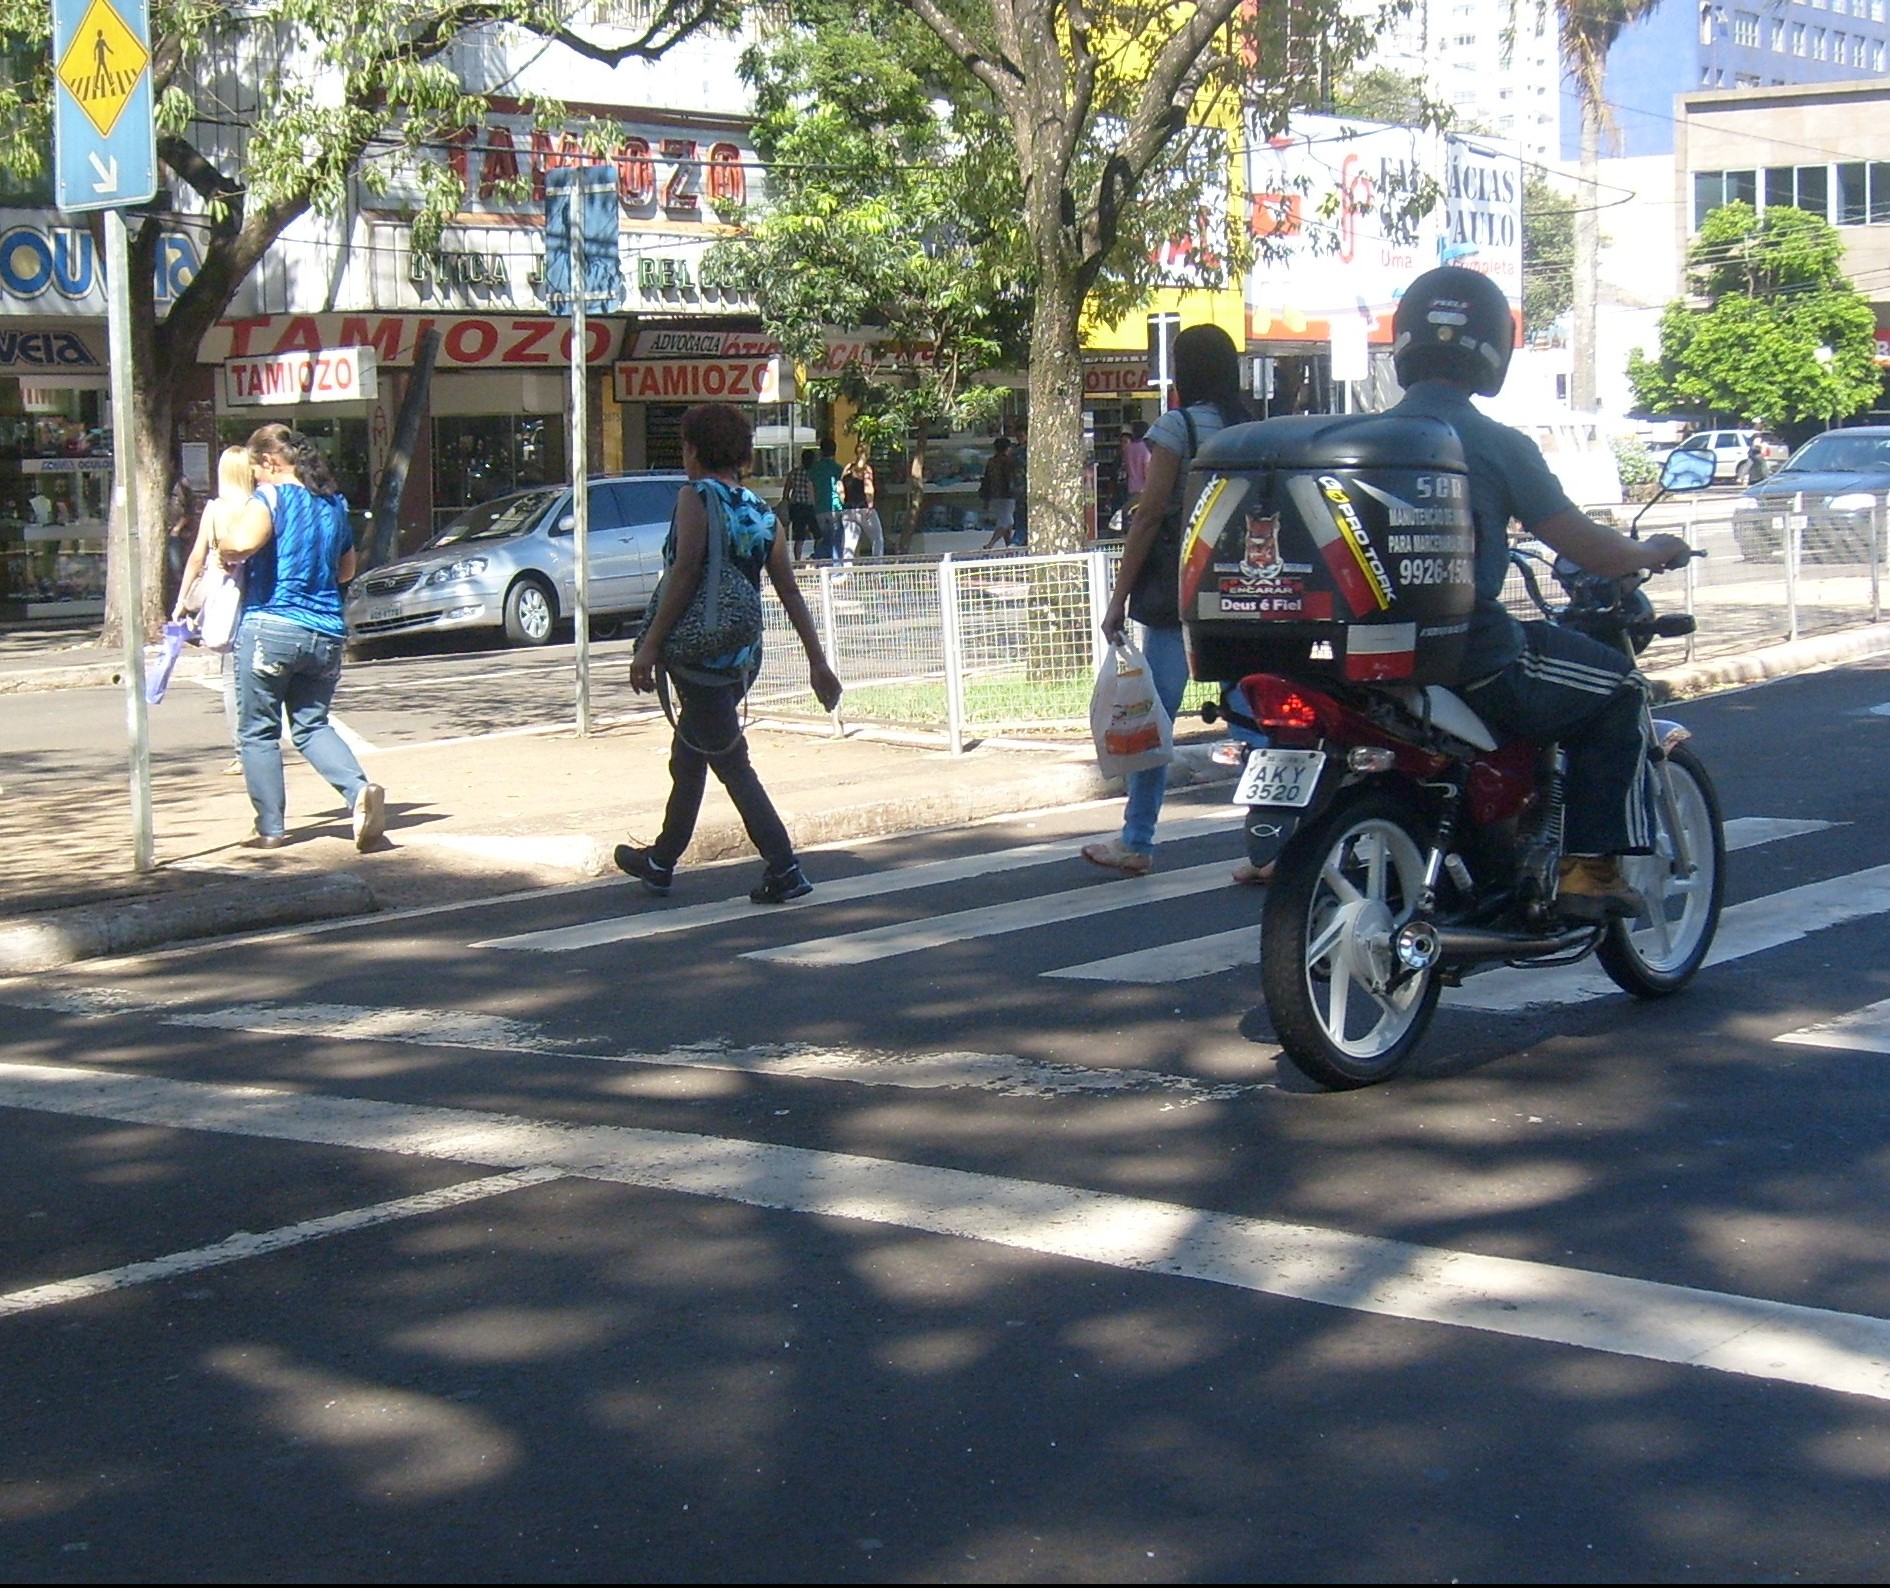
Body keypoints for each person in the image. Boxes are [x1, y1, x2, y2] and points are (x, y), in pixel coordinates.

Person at [1384, 266, 1691, 920]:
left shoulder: (1355, 439)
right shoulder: (1496, 444)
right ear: (1495, 349)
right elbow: (1585, 545)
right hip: (1472, 654)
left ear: (1403, 341)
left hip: (1365, 653)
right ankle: (1592, 873)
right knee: (1620, 689)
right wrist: (1650, 552)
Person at [618, 403, 844, 904]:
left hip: (697, 651)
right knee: (690, 756)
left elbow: (684, 573)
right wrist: (817, 661)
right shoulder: (760, 511)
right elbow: (788, 589)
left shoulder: (695, 497)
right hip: (740, 655)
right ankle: (660, 861)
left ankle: (785, 867)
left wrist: (650, 645)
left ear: (694, 450)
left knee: (731, 762)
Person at [1084, 324, 1254, 879]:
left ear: (1183, 371)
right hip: (1244, 594)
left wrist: (1117, 599)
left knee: (1154, 720)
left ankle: (1137, 840)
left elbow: (1151, 515)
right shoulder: (1253, 426)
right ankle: (1277, 843)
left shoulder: (1175, 428)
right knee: (1257, 719)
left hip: (1180, 597)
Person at [217, 423, 386, 852]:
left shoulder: (270, 498)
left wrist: (224, 547)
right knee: (311, 725)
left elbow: (241, 542)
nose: (255, 477)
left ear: (271, 462)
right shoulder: (333, 503)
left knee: (257, 732)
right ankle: (358, 792)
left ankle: (270, 827)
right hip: (326, 632)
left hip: (271, 626)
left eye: (256, 469)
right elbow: (345, 571)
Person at [171, 445, 256, 775]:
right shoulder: (259, 506)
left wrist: (183, 600)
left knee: (231, 678)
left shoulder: (216, 509)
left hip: (226, 601)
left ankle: (242, 750)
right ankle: (262, 743)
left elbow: (196, 557)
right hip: (259, 596)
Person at [840, 450, 883, 564]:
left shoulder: (848, 468)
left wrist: (843, 500)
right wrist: (870, 506)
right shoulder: (866, 469)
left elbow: (840, 487)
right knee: (877, 539)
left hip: (848, 510)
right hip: (863, 508)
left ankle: (846, 572)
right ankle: (877, 570)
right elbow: (868, 489)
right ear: (867, 455)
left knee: (849, 544)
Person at [979, 436, 1019, 549]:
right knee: (1007, 521)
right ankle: (991, 543)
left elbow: (986, 479)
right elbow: (1011, 478)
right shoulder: (1009, 461)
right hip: (1007, 495)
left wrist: (985, 498)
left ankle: (1008, 544)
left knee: (1004, 519)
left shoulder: (991, 462)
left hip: (994, 494)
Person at [780, 448, 820, 560]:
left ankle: (798, 561)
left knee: (799, 538)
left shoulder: (794, 472)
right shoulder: (814, 473)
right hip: (809, 506)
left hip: (796, 507)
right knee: (818, 535)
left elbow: (786, 491)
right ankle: (816, 556)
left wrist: (786, 502)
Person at [809, 437, 844, 561]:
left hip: (820, 509)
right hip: (836, 507)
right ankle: (835, 568)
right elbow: (841, 489)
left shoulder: (814, 469)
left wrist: (815, 506)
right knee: (836, 541)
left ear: (821, 451)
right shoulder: (839, 468)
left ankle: (819, 561)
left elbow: (811, 489)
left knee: (825, 538)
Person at [1117, 420, 1151, 530]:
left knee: (1131, 518)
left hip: (1131, 487)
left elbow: (1126, 468)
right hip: (1143, 489)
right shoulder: (1146, 449)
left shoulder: (1128, 449)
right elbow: (1146, 469)